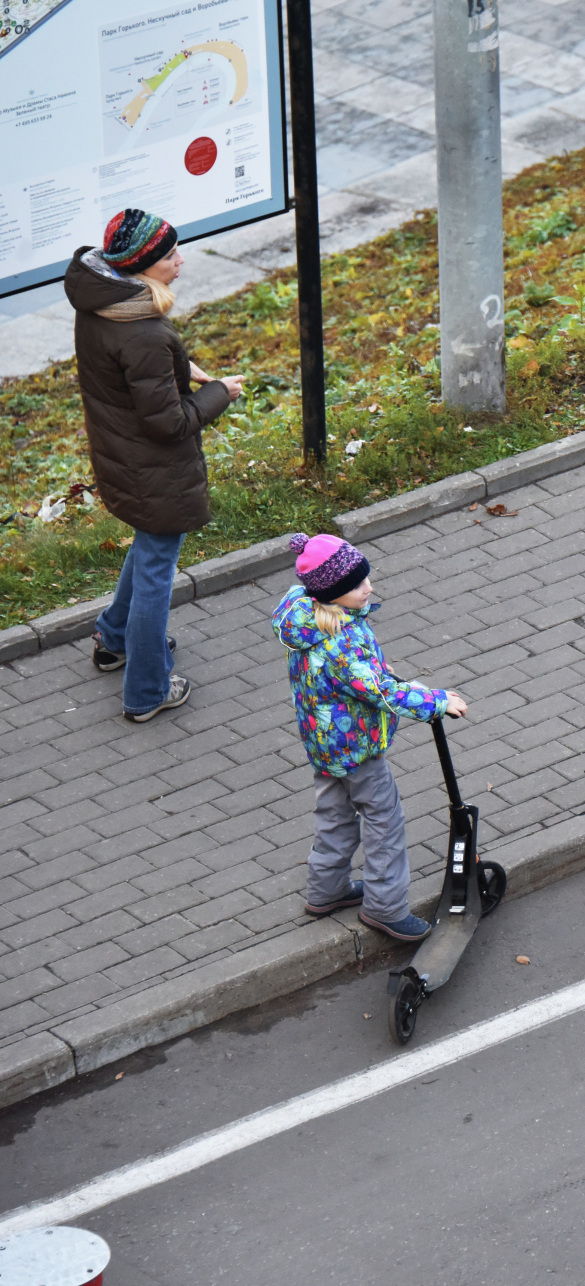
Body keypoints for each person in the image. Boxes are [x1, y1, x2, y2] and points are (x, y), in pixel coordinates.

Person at [67, 209, 244, 721]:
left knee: (148, 551)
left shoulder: (101, 301)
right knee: (156, 573)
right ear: (142, 266)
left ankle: (113, 639)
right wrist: (219, 393)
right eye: (169, 256)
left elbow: (125, 366)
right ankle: (147, 691)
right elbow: (169, 423)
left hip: (121, 457)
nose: (180, 261)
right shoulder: (143, 330)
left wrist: (178, 367)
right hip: (156, 471)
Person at [272, 533, 468, 942]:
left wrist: (375, 667)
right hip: (357, 749)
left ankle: (327, 892)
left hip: (324, 745)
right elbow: (380, 690)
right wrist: (435, 701)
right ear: (334, 591)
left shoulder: (305, 615)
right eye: (359, 584)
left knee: (335, 817)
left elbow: (359, 676)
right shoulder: (341, 641)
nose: (369, 588)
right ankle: (385, 907)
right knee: (385, 822)